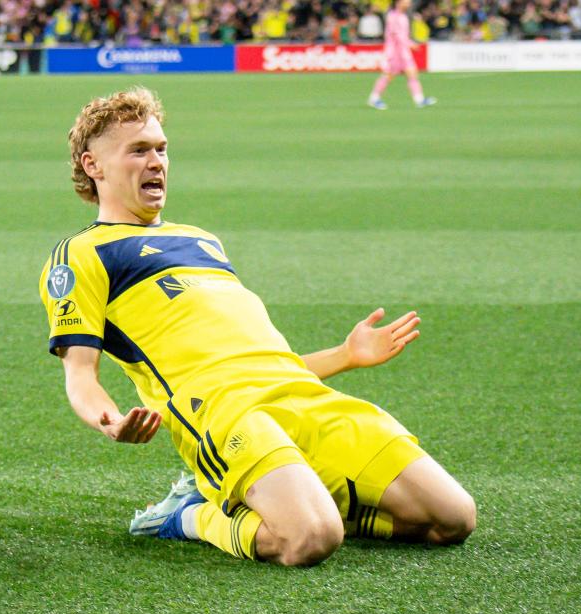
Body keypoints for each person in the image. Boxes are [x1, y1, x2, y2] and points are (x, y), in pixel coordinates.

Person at [40, 88, 476, 566]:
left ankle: (294, 498)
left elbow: (257, 360)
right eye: (138, 151)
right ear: (93, 165)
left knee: (452, 518)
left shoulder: (202, 240)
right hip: (223, 413)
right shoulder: (83, 254)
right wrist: (110, 422)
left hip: (299, 395)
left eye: (161, 149)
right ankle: (191, 515)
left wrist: (346, 355)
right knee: (309, 539)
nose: (156, 162)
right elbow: (80, 375)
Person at [367, 0, 437, 110]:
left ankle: (419, 100)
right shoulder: (392, 16)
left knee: (412, 74)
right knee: (388, 76)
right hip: (395, 52)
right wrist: (410, 44)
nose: (409, 2)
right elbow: (396, 35)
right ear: (398, 2)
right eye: (406, 1)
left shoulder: (403, 16)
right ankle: (374, 98)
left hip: (403, 52)